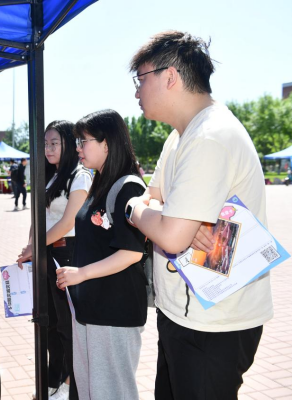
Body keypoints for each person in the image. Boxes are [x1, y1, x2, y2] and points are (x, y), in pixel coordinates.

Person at [125, 31, 271, 400]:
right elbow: (153, 198)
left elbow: (169, 233)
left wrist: (136, 212)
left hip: (214, 323)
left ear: (169, 76)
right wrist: (163, 217)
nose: (137, 92)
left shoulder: (209, 135)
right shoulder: (180, 136)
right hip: (182, 313)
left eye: (141, 80)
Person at [56, 110, 147, 399]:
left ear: (107, 143)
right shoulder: (99, 182)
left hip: (114, 311)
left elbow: (132, 252)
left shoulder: (128, 186)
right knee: (92, 390)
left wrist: (81, 273)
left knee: (112, 392)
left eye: (83, 141)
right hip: (90, 309)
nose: (78, 149)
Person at [17, 120, 91, 400]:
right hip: (47, 254)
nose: (48, 149)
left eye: (54, 143)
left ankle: (71, 385)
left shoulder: (79, 176)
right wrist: (31, 246)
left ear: (70, 145)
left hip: (66, 255)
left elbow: (67, 222)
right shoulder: (51, 175)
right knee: (48, 323)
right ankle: (52, 381)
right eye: (45, 143)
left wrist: (35, 247)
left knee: (66, 325)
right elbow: (39, 217)